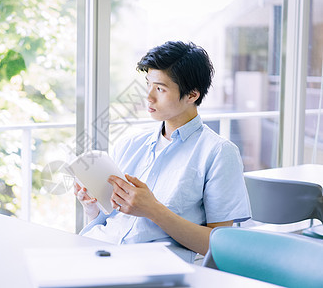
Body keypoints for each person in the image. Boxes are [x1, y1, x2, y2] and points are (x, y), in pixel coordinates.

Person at [74, 41, 251, 263]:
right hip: (98, 251)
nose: (148, 97)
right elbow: (114, 220)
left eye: (160, 88)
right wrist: (92, 206)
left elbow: (219, 245)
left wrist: (153, 210)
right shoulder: (130, 144)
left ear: (192, 95)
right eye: (148, 84)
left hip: (152, 266)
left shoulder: (219, 153)